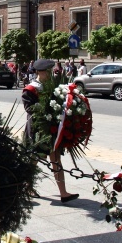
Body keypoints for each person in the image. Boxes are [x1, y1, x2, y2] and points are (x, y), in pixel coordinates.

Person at [22, 58, 79, 203]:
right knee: (34, 159)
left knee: (56, 159)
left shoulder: (54, 86)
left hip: (53, 128)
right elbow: (29, 109)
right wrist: (45, 109)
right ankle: (27, 186)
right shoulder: (30, 89)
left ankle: (63, 193)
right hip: (37, 129)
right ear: (39, 72)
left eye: (50, 71)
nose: (49, 74)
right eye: (46, 71)